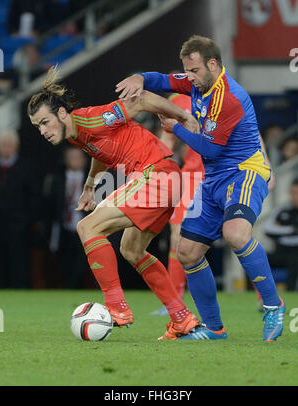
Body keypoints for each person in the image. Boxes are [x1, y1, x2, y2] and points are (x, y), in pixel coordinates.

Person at [116, 34, 285, 342]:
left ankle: (274, 305)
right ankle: (214, 328)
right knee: (187, 251)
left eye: (194, 71)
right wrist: (140, 78)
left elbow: (213, 150)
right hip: (213, 180)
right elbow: (163, 79)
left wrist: (175, 127)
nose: (189, 77)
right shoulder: (198, 82)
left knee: (236, 234)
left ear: (212, 64)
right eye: (187, 71)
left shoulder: (228, 97)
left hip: (243, 172)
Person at [27, 66, 200, 340]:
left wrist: (183, 116)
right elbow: (99, 149)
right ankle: (182, 319)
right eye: (37, 127)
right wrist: (90, 184)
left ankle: (117, 308)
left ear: (62, 114)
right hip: (166, 180)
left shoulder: (91, 119)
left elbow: (141, 100)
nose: (43, 131)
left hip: (155, 174)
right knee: (132, 250)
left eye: (45, 122)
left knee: (87, 228)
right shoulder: (79, 133)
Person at [151, 92, 204, 315]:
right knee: (177, 236)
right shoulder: (176, 102)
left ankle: (267, 299)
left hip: (225, 172)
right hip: (192, 176)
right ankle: (174, 302)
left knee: (239, 234)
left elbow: (250, 131)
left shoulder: (223, 94)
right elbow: (167, 141)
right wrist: (156, 170)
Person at [0, 129, 42, 288]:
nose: (6, 148)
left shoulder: (27, 167)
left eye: (9, 145)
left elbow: (35, 197)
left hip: (19, 228)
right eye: (3, 145)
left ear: (16, 146)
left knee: (20, 266)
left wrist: (28, 221)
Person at [44, 146, 90, 288]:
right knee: (64, 262)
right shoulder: (56, 180)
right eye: (72, 158)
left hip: (85, 227)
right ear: (65, 160)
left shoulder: (94, 180)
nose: (76, 161)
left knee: (83, 263)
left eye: (79, 157)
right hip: (64, 227)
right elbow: (50, 206)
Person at [265, 177, 298, 291]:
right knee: (256, 259)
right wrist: (292, 230)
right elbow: (268, 229)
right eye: (293, 193)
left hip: (295, 253)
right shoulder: (282, 210)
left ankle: (291, 293)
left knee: (295, 260)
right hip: (282, 251)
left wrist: (281, 229)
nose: (295, 197)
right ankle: (254, 295)